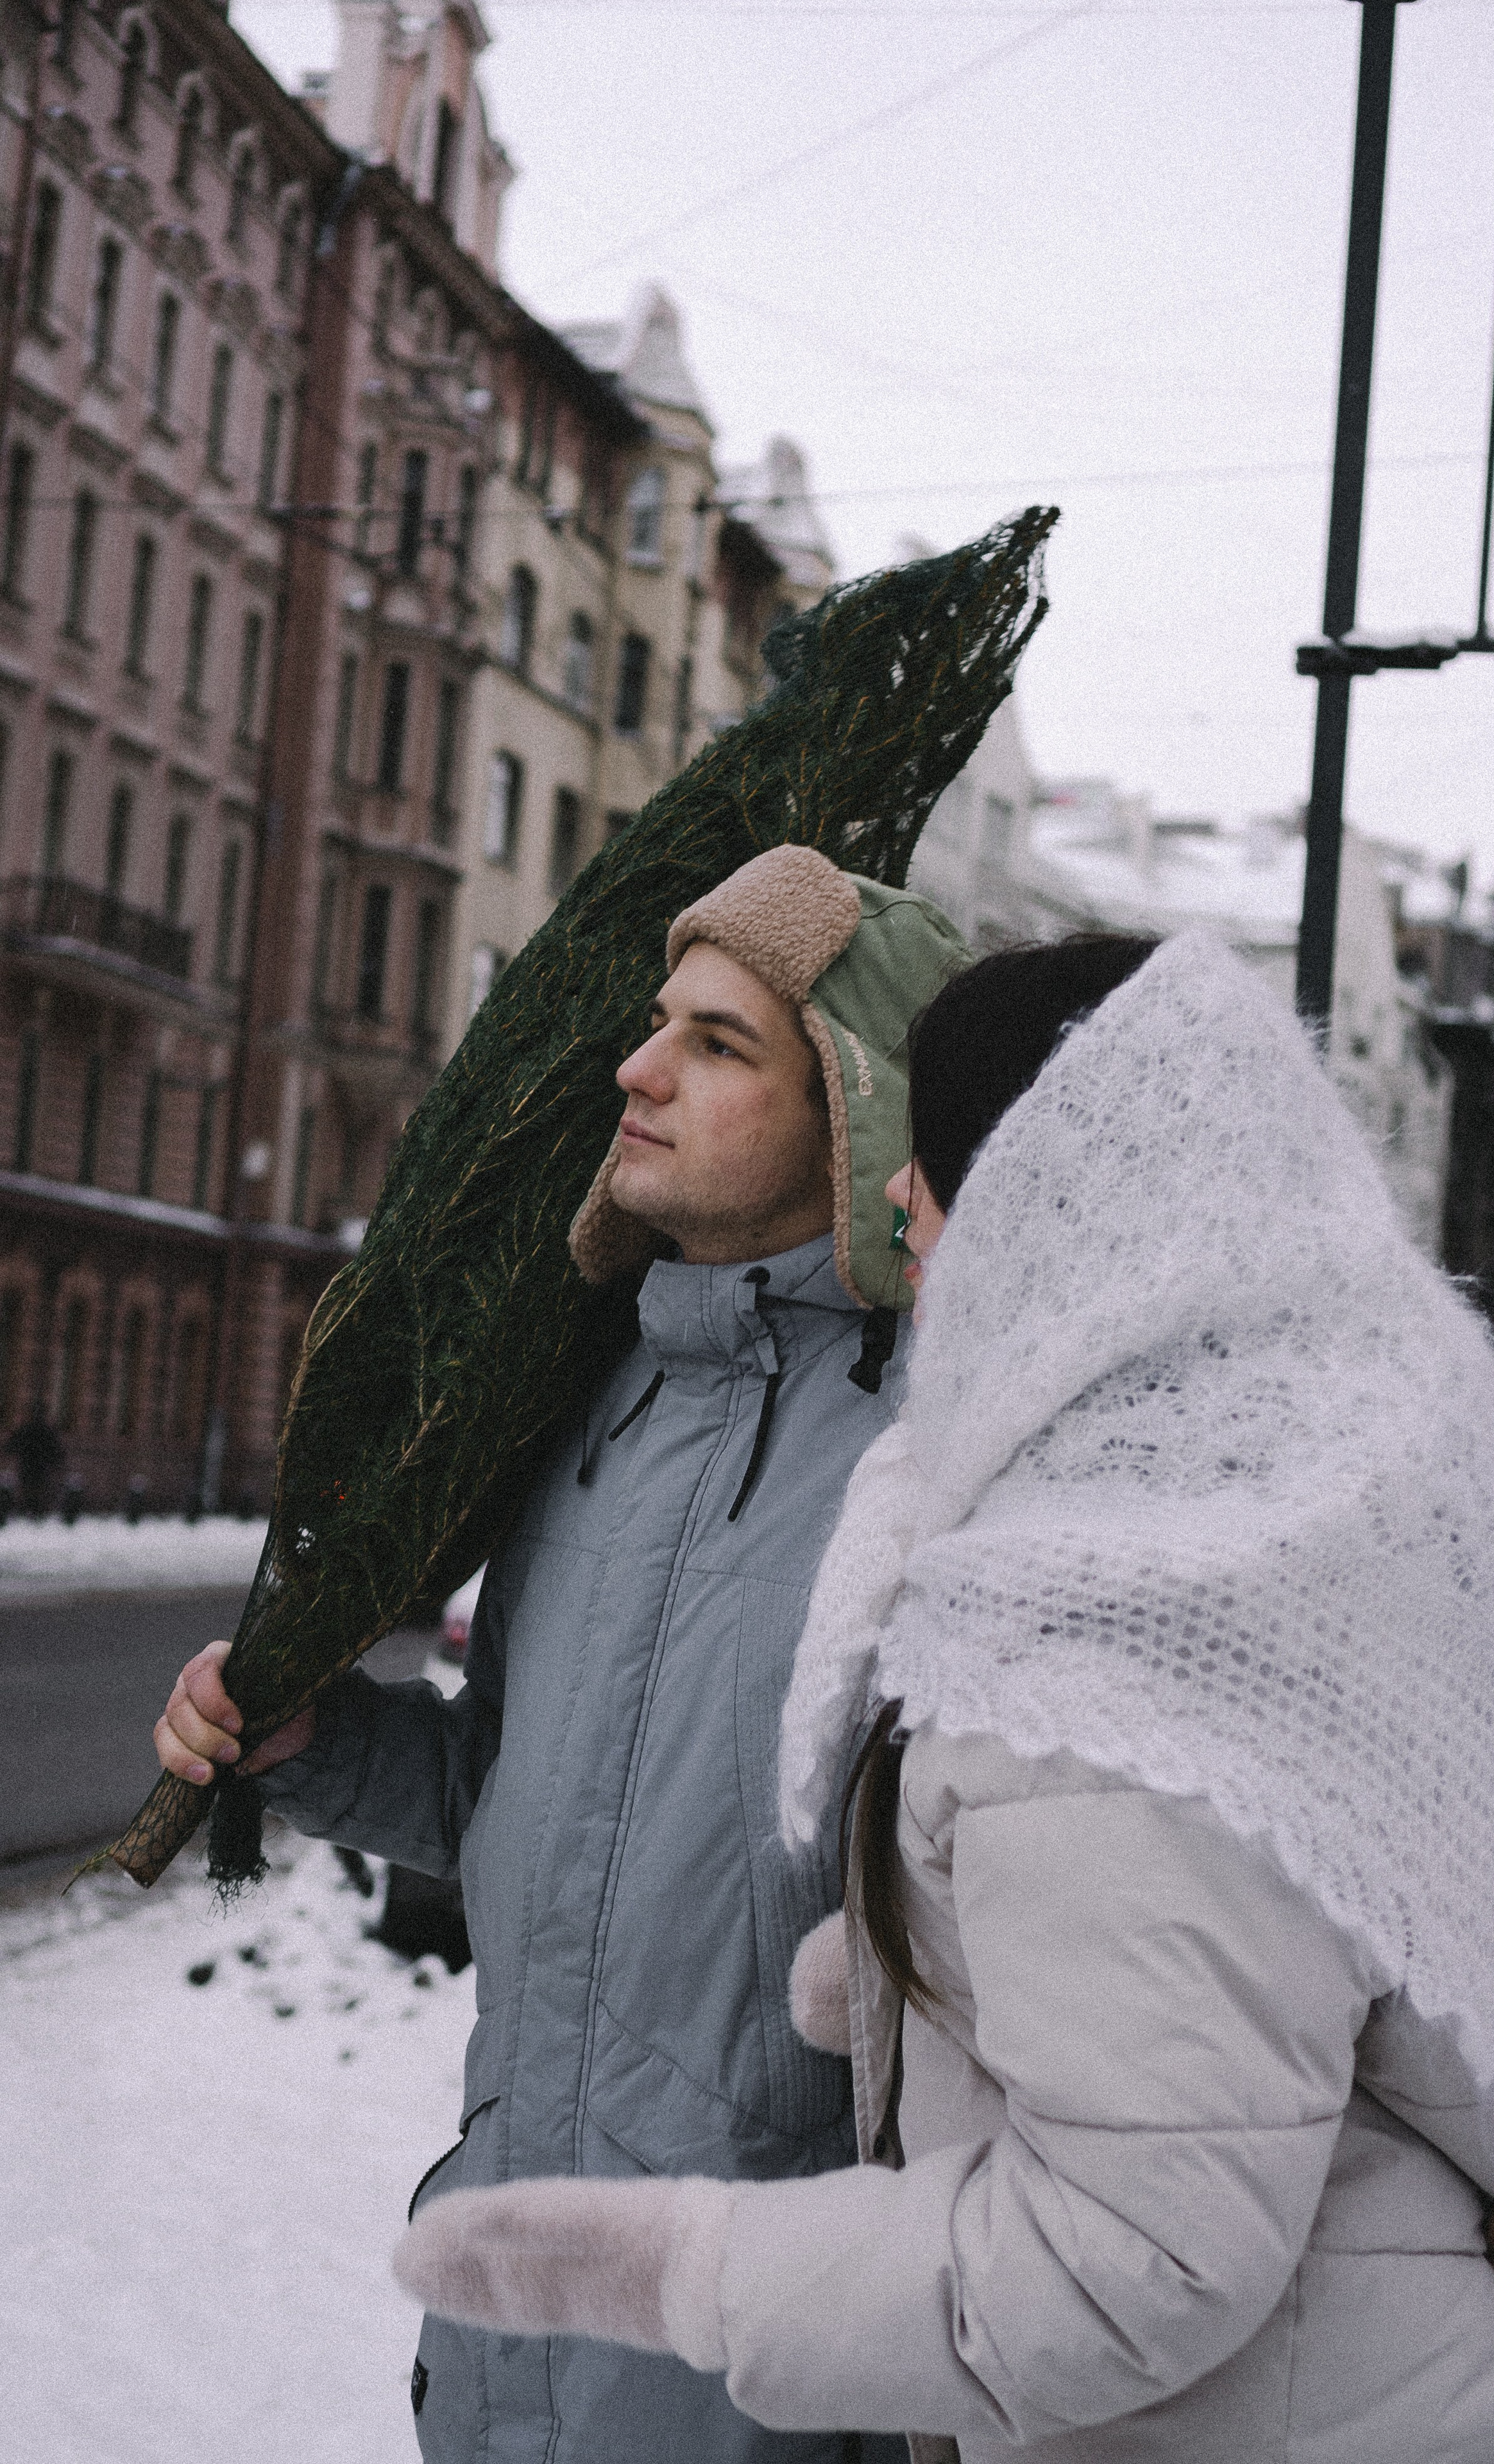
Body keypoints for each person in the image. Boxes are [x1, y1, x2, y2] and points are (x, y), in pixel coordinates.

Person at [395, 929, 1494, 2464]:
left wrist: (684, 2272)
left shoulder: (1102, 1620)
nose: (905, 1195)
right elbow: (1352, 1924)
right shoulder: (1299, 1486)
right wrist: (938, 1955)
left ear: (1054, 1207)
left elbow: (1134, 2260)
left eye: (942, 1159)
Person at [153, 843, 969, 2464]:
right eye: (658, 1021)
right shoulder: (596, 1408)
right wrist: (314, 1743)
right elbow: (512, 1804)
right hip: (505, 2337)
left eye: (717, 1044)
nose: (637, 1067)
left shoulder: (942, 1457)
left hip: (766, 2387)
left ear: (857, 1109)